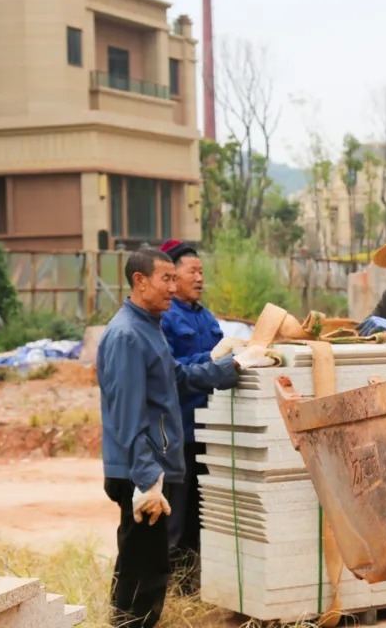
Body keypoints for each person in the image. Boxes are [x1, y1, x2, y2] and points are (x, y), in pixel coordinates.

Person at [96, 249, 267, 627]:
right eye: (166, 279)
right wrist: (146, 478)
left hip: (156, 464)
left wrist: (233, 367)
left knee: (141, 562)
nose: (174, 287)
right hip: (144, 469)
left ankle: (126, 622)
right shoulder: (127, 334)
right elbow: (128, 413)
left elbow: (178, 377)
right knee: (147, 568)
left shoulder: (149, 326)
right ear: (140, 282)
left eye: (176, 278)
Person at [157, 239, 223, 593]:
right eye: (192, 271)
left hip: (209, 433)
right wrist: (214, 363)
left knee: (202, 514)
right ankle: (171, 589)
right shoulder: (166, 317)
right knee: (176, 516)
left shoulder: (205, 316)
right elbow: (171, 371)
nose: (199, 278)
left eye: (202, 272)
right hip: (178, 432)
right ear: (172, 276)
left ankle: (192, 586)